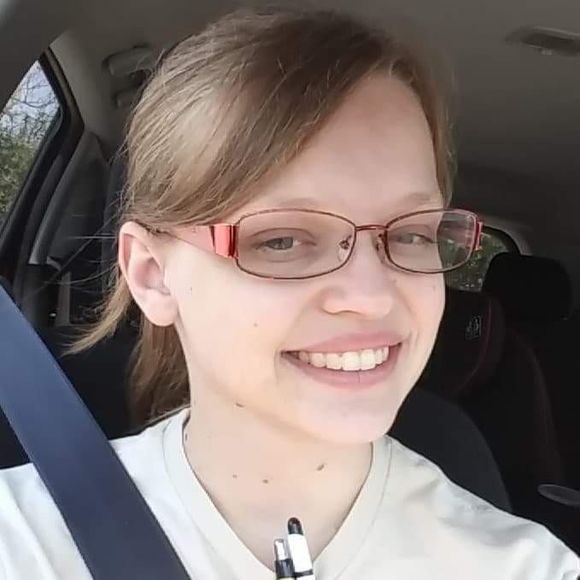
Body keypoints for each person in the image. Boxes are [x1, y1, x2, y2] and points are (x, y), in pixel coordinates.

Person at [0, 7, 578, 579]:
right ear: (152, 274)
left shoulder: (528, 566)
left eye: (410, 234)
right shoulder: (23, 542)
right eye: (281, 240)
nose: (371, 296)